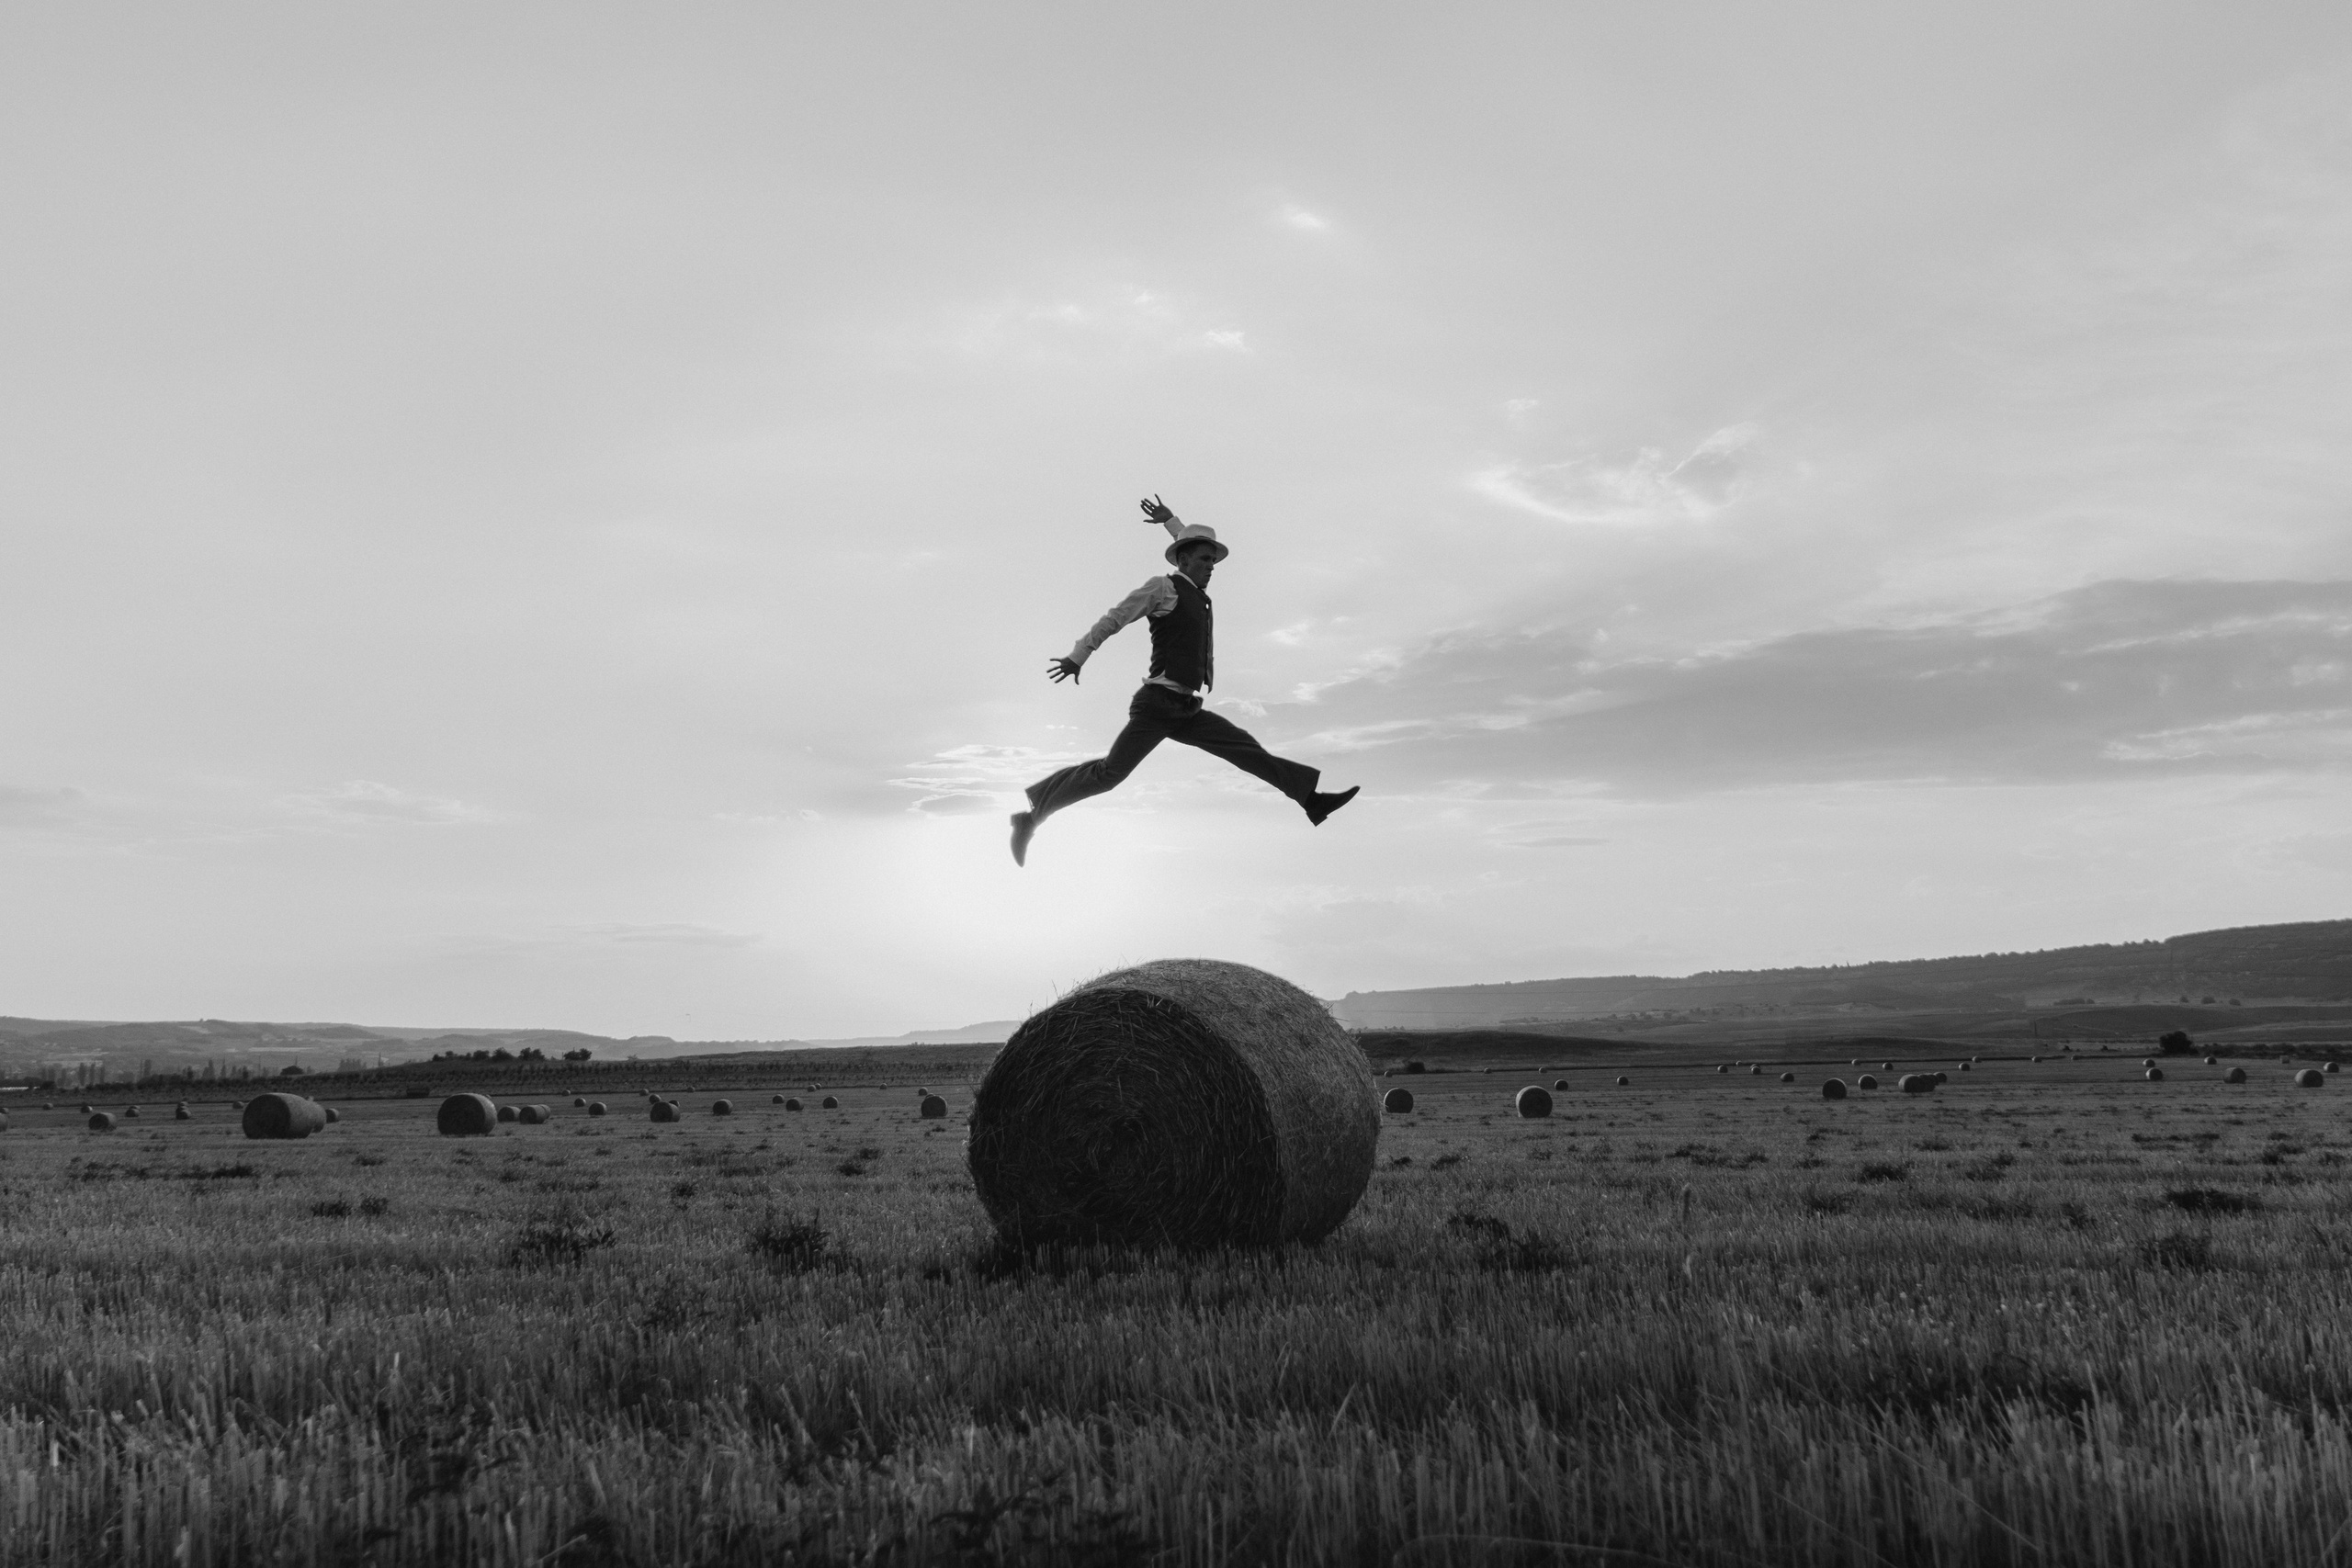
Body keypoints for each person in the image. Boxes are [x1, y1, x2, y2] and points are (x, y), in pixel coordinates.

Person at [1010, 496, 1359, 866]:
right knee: (1110, 773)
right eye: (1205, 560)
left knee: (1245, 748)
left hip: (1187, 708)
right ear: (1183, 561)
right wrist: (1078, 656)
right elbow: (1115, 618)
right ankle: (1030, 819)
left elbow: (1187, 546)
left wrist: (1171, 522)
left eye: (1214, 560)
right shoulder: (1162, 588)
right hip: (1157, 705)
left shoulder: (1195, 592)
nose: (1212, 566)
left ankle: (1311, 799)